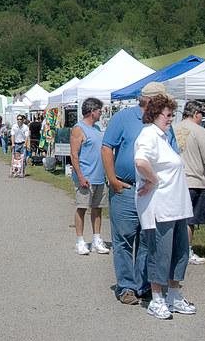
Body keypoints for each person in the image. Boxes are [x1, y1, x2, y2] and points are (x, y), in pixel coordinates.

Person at [101, 81, 178, 306]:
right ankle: (126, 286)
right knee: (124, 238)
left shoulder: (164, 124)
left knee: (147, 239)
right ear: (152, 101)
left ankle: (144, 285)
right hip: (126, 189)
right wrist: (113, 180)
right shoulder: (123, 119)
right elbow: (107, 148)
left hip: (152, 191)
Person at [133, 94, 195, 320]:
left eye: (172, 115)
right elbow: (140, 161)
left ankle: (174, 295)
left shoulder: (164, 136)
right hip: (161, 208)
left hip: (176, 207)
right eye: (168, 115)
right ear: (155, 115)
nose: (171, 119)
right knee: (160, 252)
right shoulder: (149, 134)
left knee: (179, 251)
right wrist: (154, 180)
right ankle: (157, 298)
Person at [173, 100, 205, 265]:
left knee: (176, 218)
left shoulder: (172, 129)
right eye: (202, 114)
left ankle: (174, 249)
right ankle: (186, 251)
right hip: (194, 180)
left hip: (174, 181)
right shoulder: (200, 131)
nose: (203, 117)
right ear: (196, 114)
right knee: (190, 220)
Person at [70, 98, 109, 256]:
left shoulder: (98, 129)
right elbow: (74, 154)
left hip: (99, 177)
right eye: (99, 110)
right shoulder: (78, 129)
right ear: (92, 111)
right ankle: (80, 241)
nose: (101, 113)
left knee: (98, 209)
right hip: (85, 177)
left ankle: (96, 239)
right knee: (82, 208)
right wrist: (79, 176)